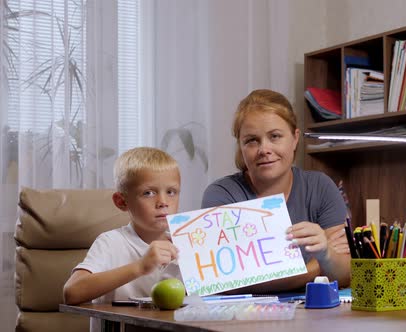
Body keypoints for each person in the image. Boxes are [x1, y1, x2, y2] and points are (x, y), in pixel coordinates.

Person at [201, 89, 351, 292]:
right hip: (245, 319)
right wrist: (318, 266)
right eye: (252, 140)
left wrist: (326, 254)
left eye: (275, 136)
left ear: (295, 138)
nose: (264, 149)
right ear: (241, 147)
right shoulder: (221, 194)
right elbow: (225, 283)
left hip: (316, 316)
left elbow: (347, 273)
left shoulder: (320, 187)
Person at [63, 147, 181, 331]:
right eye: (149, 193)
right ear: (121, 202)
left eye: (171, 192)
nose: (163, 202)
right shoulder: (111, 242)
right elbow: (72, 292)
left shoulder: (186, 245)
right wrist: (140, 266)